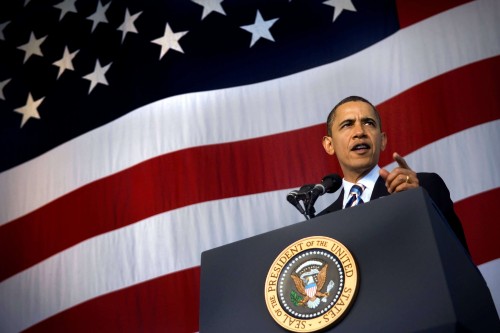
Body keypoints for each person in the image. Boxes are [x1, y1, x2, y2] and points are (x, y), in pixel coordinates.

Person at [317, 96, 469, 251]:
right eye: (347, 125)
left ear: (382, 140)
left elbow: (457, 256)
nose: (360, 132)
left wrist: (417, 203)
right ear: (329, 144)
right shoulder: (321, 223)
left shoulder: (423, 187)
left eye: (369, 123)